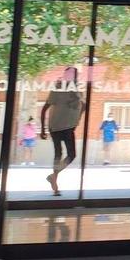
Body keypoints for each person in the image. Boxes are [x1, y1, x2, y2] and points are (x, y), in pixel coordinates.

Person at [41, 66, 84, 197]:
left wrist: (77, 120)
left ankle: (54, 176)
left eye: (74, 75)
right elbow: (45, 108)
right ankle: (55, 183)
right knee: (58, 153)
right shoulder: (58, 87)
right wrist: (42, 128)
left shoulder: (77, 89)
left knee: (71, 155)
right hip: (56, 125)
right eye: (69, 74)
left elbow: (82, 106)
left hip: (69, 126)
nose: (72, 77)